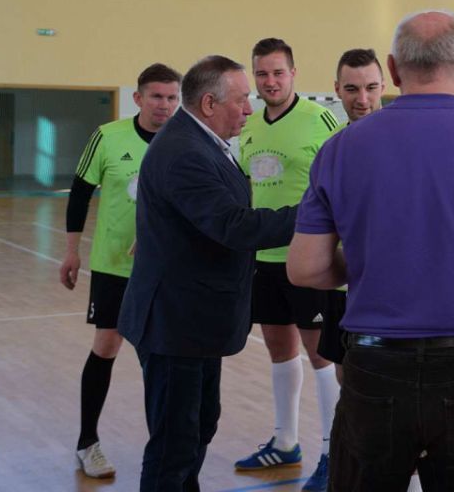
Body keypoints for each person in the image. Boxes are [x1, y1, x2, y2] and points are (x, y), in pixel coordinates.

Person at [288, 10, 454, 491]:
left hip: (375, 367)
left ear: (391, 69)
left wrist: (372, 259)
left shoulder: (341, 148)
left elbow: (305, 268)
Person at [118, 55, 299, 492]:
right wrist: (319, 213)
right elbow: (233, 226)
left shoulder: (200, 141)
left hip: (193, 320)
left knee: (198, 426)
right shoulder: (184, 151)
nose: (250, 109)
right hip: (174, 323)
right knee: (174, 443)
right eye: (242, 100)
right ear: (209, 103)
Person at [59, 63, 181, 479]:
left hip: (164, 270)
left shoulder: (184, 142)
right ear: (138, 98)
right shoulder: (108, 137)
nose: (164, 105)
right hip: (113, 267)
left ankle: (162, 447)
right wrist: (71, 251)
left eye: (172, 97)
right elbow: (79, 193)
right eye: (156, 96)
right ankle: (87, 443)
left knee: (161, 355)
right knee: (107, 345)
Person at [235, 38, 340, 489]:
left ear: (293, 73)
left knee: (321, 355)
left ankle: (333, 451)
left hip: (309, 258)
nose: (270, 82)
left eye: (278, 73)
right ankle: (284, 441)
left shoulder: (321, 120)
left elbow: (342, 180)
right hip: (263, 257)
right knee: (279, 348)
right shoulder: (249, 126)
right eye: (262, 74)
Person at [316, 48, 386, 382]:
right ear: (336, 89)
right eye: (351, 89)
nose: (362, 99)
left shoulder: (406, 143)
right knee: (346, 380)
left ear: (383, 85)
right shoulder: (332, 149)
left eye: (371, 87)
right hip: (343, 289)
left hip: (392, 289)